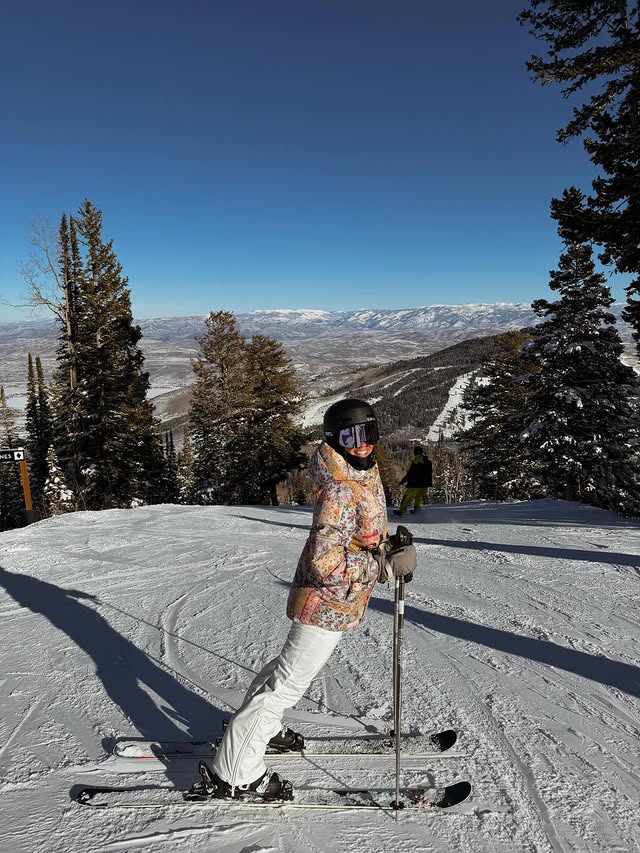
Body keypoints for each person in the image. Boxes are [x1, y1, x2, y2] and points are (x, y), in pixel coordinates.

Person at [191, 398, 416, 801]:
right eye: (351, 435)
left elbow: (355, 536)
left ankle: (266, 730)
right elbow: (326, 563)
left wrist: (386, 547)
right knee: (288, 684)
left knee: (285, 672)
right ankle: (235, 771)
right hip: (326, 601)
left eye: (370, 433)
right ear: (335, 438)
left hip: (336, 600)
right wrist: (380, 568)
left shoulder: (359, 472)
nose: (362, 443)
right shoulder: (339, 489)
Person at [394, 445, 432, 516]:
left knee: (407, 498)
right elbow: (429, 474)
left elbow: (410, 474)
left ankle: (402, 511)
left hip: (414, 485)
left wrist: (402, 482)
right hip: (424, 486)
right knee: (419, 498)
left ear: (415, 453)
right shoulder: (428, 462)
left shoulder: (415, 461)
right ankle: (417, 511)